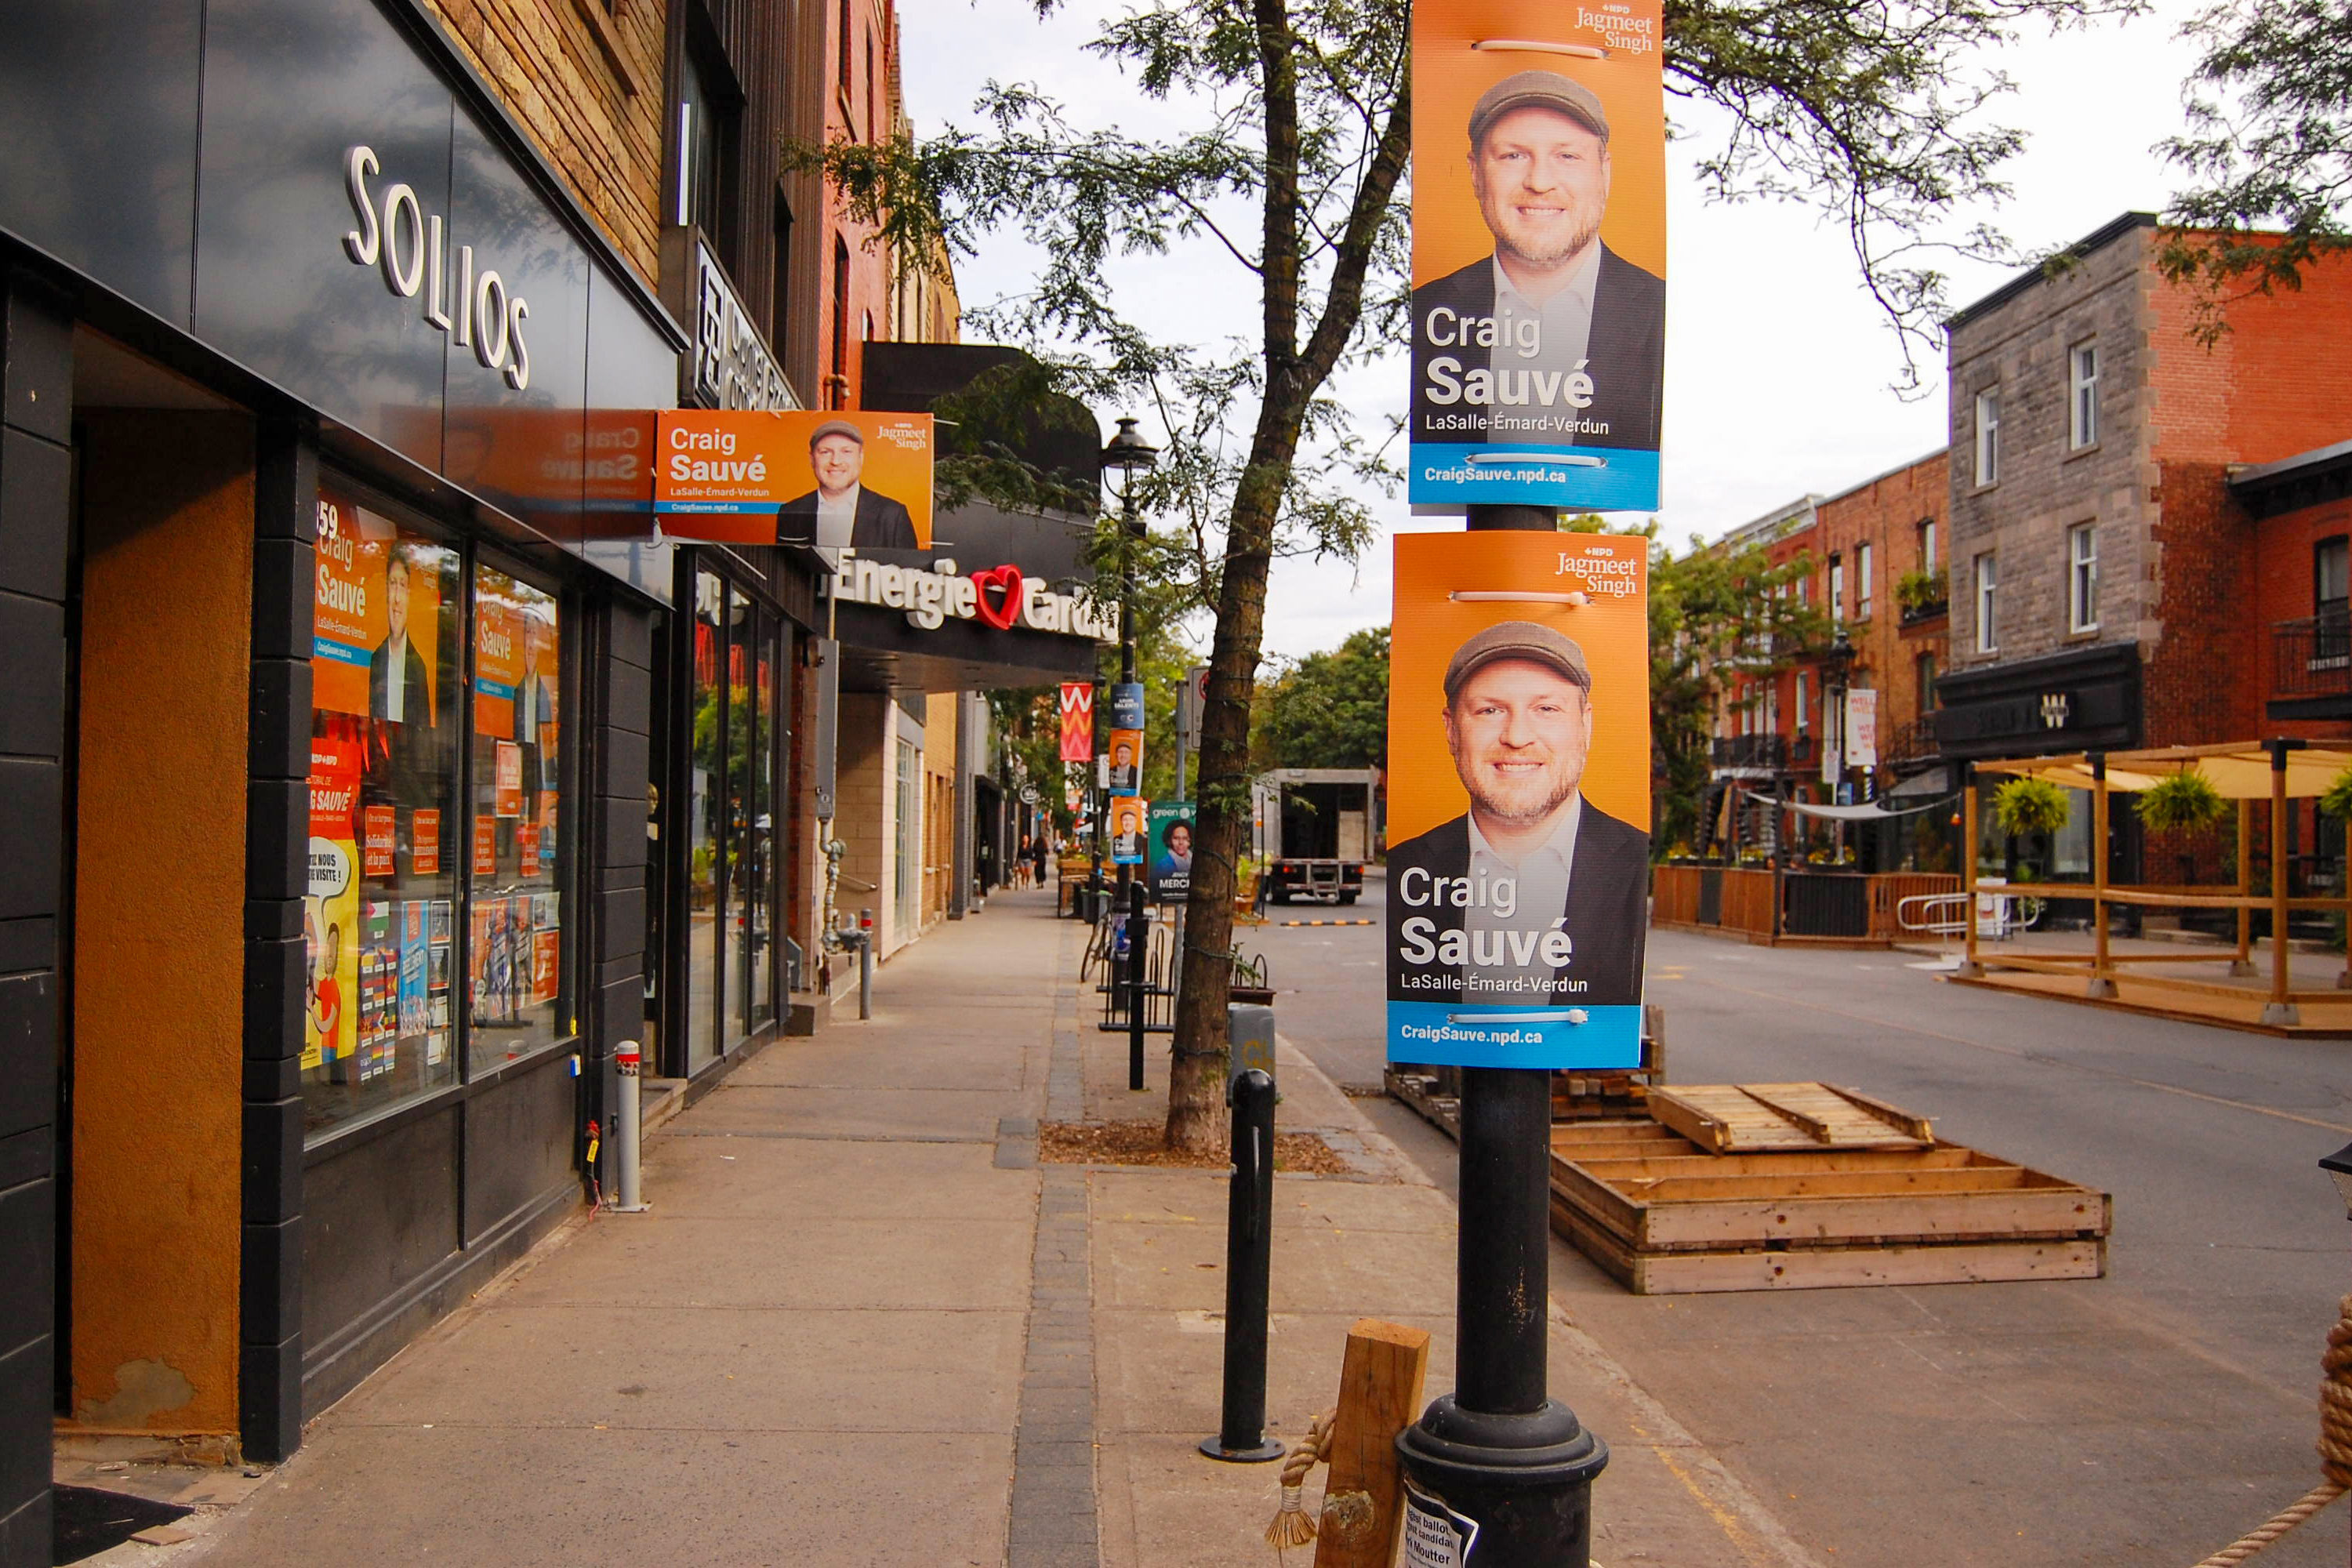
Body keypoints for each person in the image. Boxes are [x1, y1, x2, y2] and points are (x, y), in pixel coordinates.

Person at [1385, 621, 1648, 1008]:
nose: (1517, 736)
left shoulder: (1635, 862)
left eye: (1546, 709)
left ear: (1586, 724)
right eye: (1490, 710)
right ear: (1452, 729)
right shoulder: (1407, 866)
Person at [1410, 70, 1665, 454]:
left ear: (1604, 173)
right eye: (1513, 156)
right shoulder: (1431, 309)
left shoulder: (1659, 309)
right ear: (1476, 173)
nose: (1540, 182)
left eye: (1567, 156)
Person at [776, 420, 919, 550]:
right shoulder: (790, 512)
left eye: (846, 452)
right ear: (812, 459)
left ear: (861, 457)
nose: (836, 461)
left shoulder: (892, 514)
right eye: (825, 452)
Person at [1152, 819, 1193, 883]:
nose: (1181, 842)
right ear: (1169, 841)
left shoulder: (1198, 862)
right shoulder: (1162, 867)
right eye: (1176, 838)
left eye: (1185, 838)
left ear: (1190, 841)